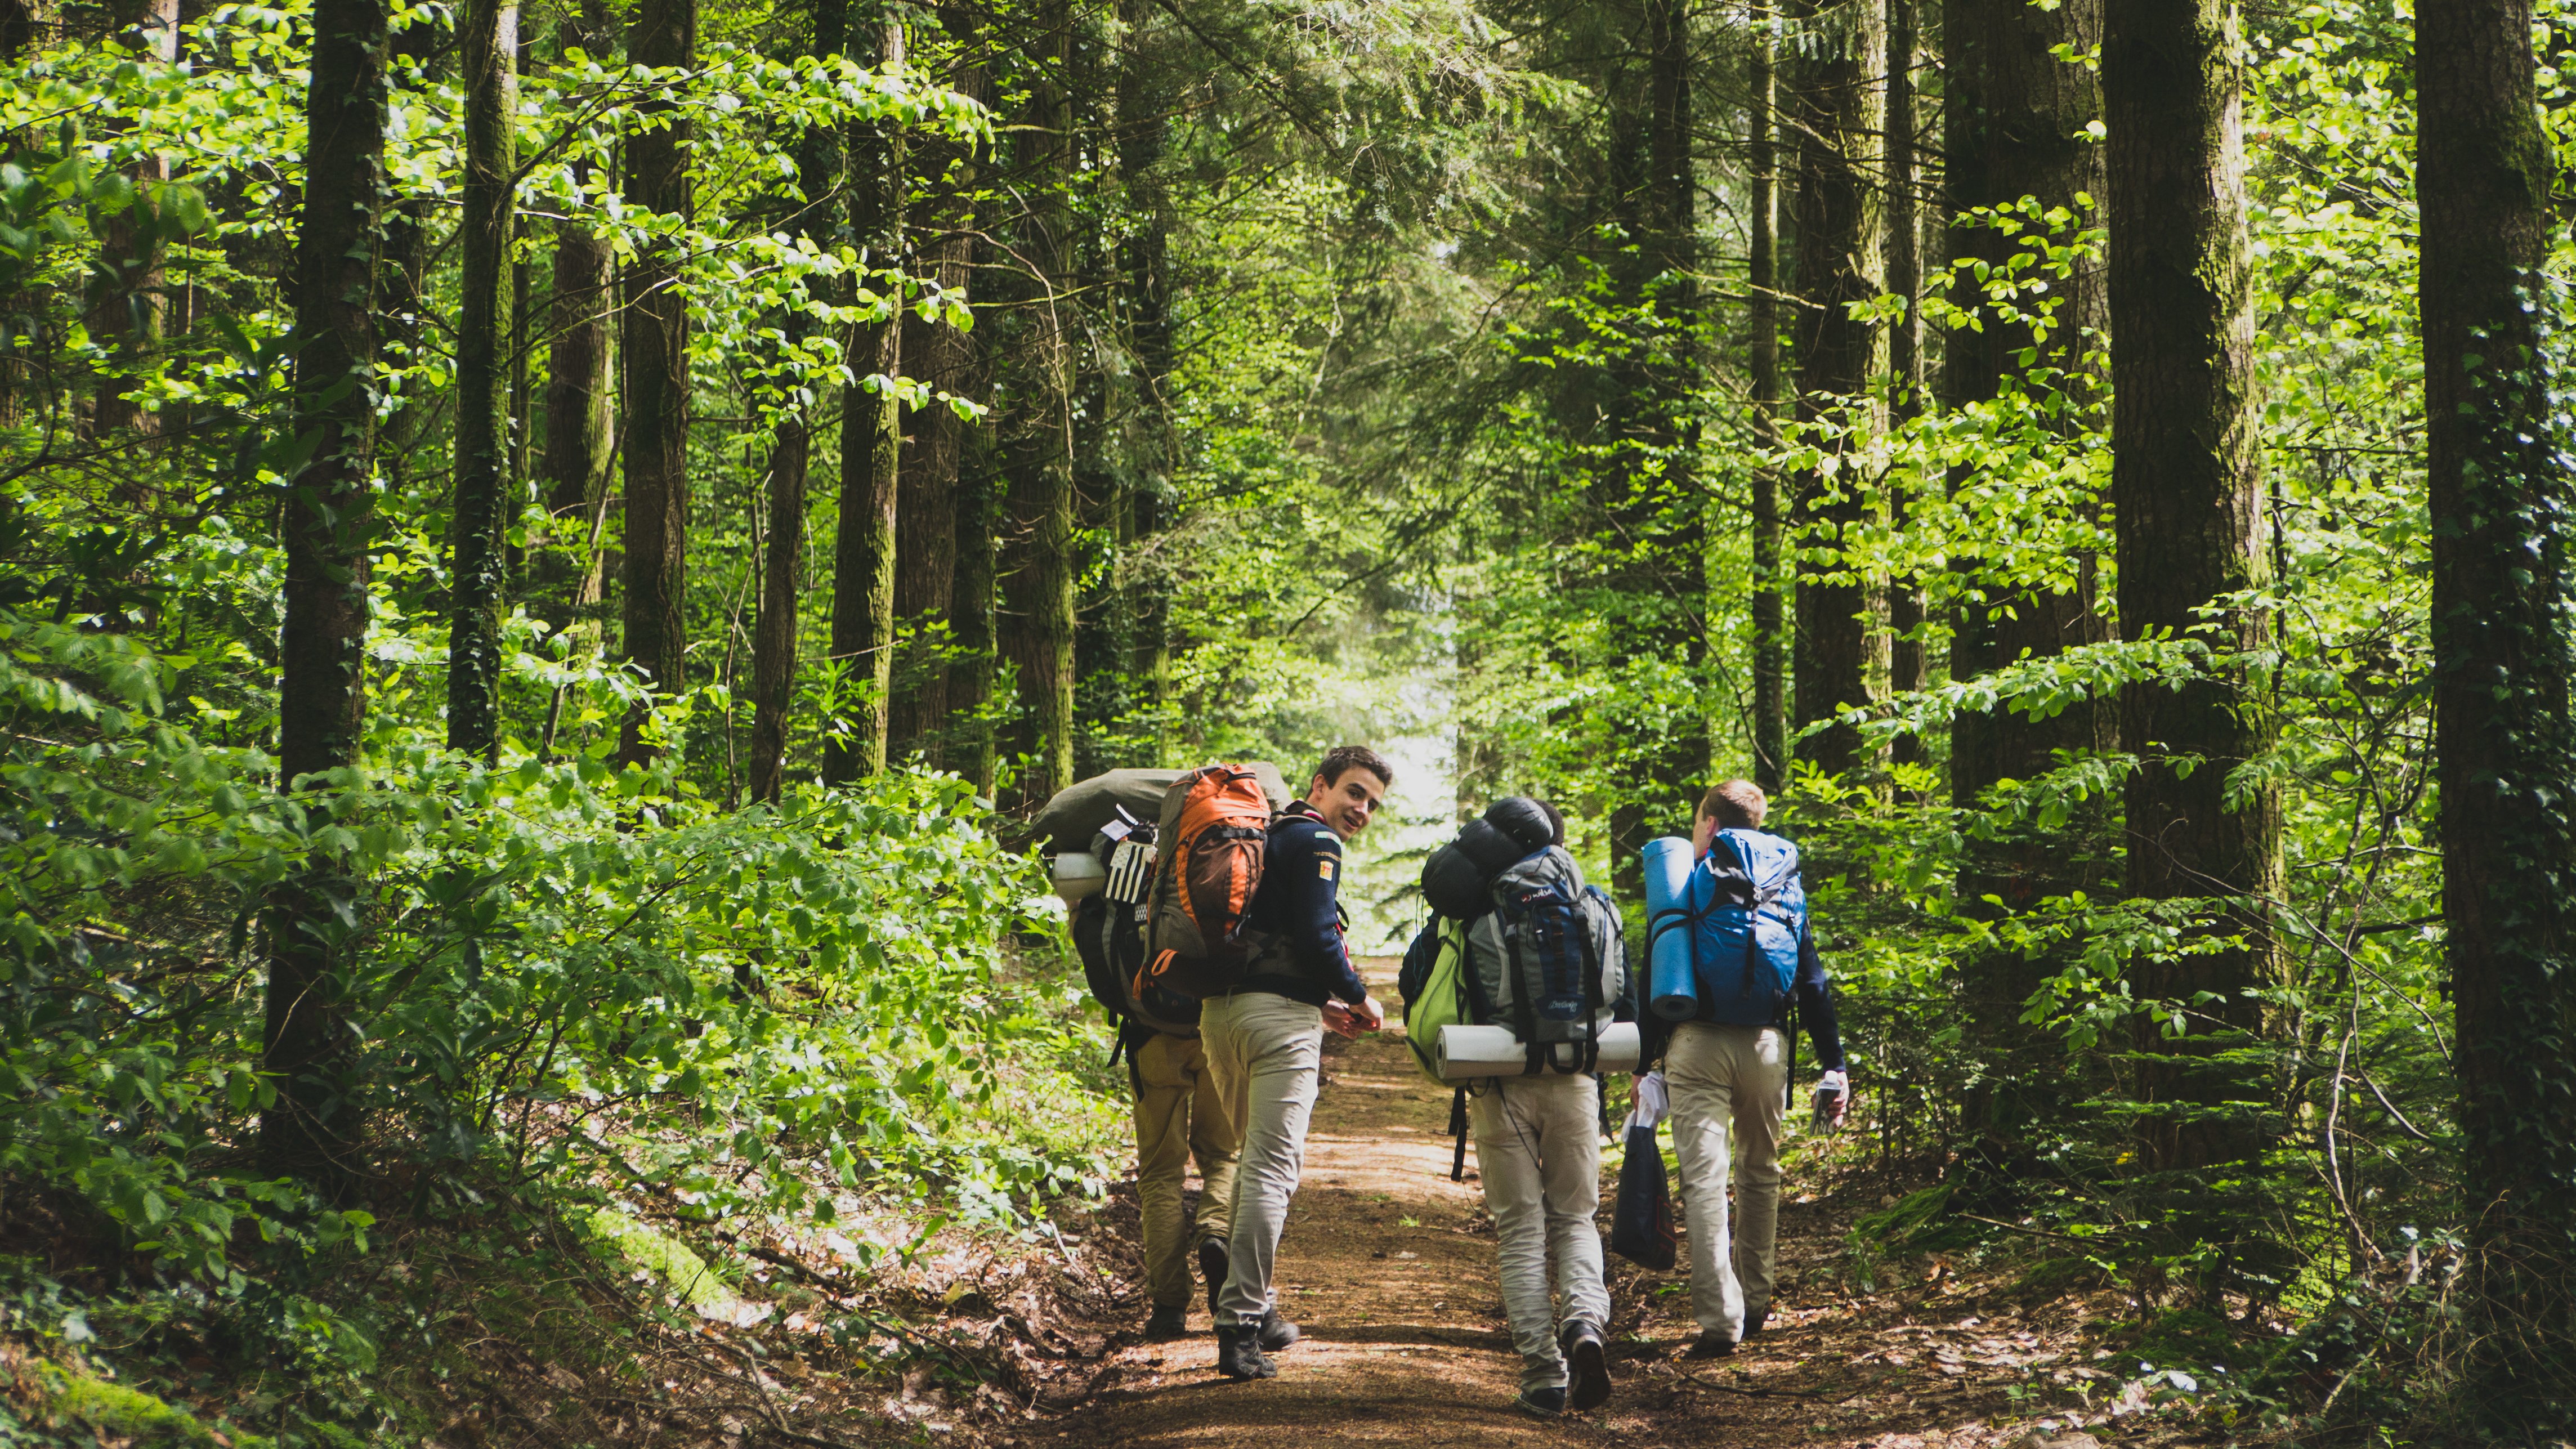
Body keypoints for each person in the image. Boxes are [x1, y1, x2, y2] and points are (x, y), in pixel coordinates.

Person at [1402, 798, 1626, 1417]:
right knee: (1575, 1219)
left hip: (1498, 1084)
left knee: (1521, 1230)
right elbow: (1623, 998)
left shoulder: (1475, 909)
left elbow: (1417, 980)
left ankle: (1543, 1376)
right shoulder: (1595, 903)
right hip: (1577, 1080)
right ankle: (1583, 1325)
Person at [1202, 745, 1393, 1380]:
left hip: (1222, 1017)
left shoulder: (1266, 836)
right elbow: (1316, 937)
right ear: (1320, 785)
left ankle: (1260, 1310)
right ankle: (1240, 1323)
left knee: (1251, 1163)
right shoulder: (1317, 844)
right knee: (1269, 1175)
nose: (1362, 810)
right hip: (1275, 1027)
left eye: (1372, 802)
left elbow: (1271, 944)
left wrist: (1321, 1009)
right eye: (1355, 792)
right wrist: (1361, 996)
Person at [1657, 778, 1848, 1358]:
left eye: (1697, 824)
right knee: (1759, 1171)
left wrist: (1645, 1062)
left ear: (1709, 824)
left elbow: (1658, 971)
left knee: (1704, 1179)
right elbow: (1812, 982)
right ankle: (1757, 1301)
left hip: (1698, 1041)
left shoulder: (1689, 877)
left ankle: (1720, 1321)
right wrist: (1834, 1064)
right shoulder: (1784, 884)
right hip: (1768, 1045)